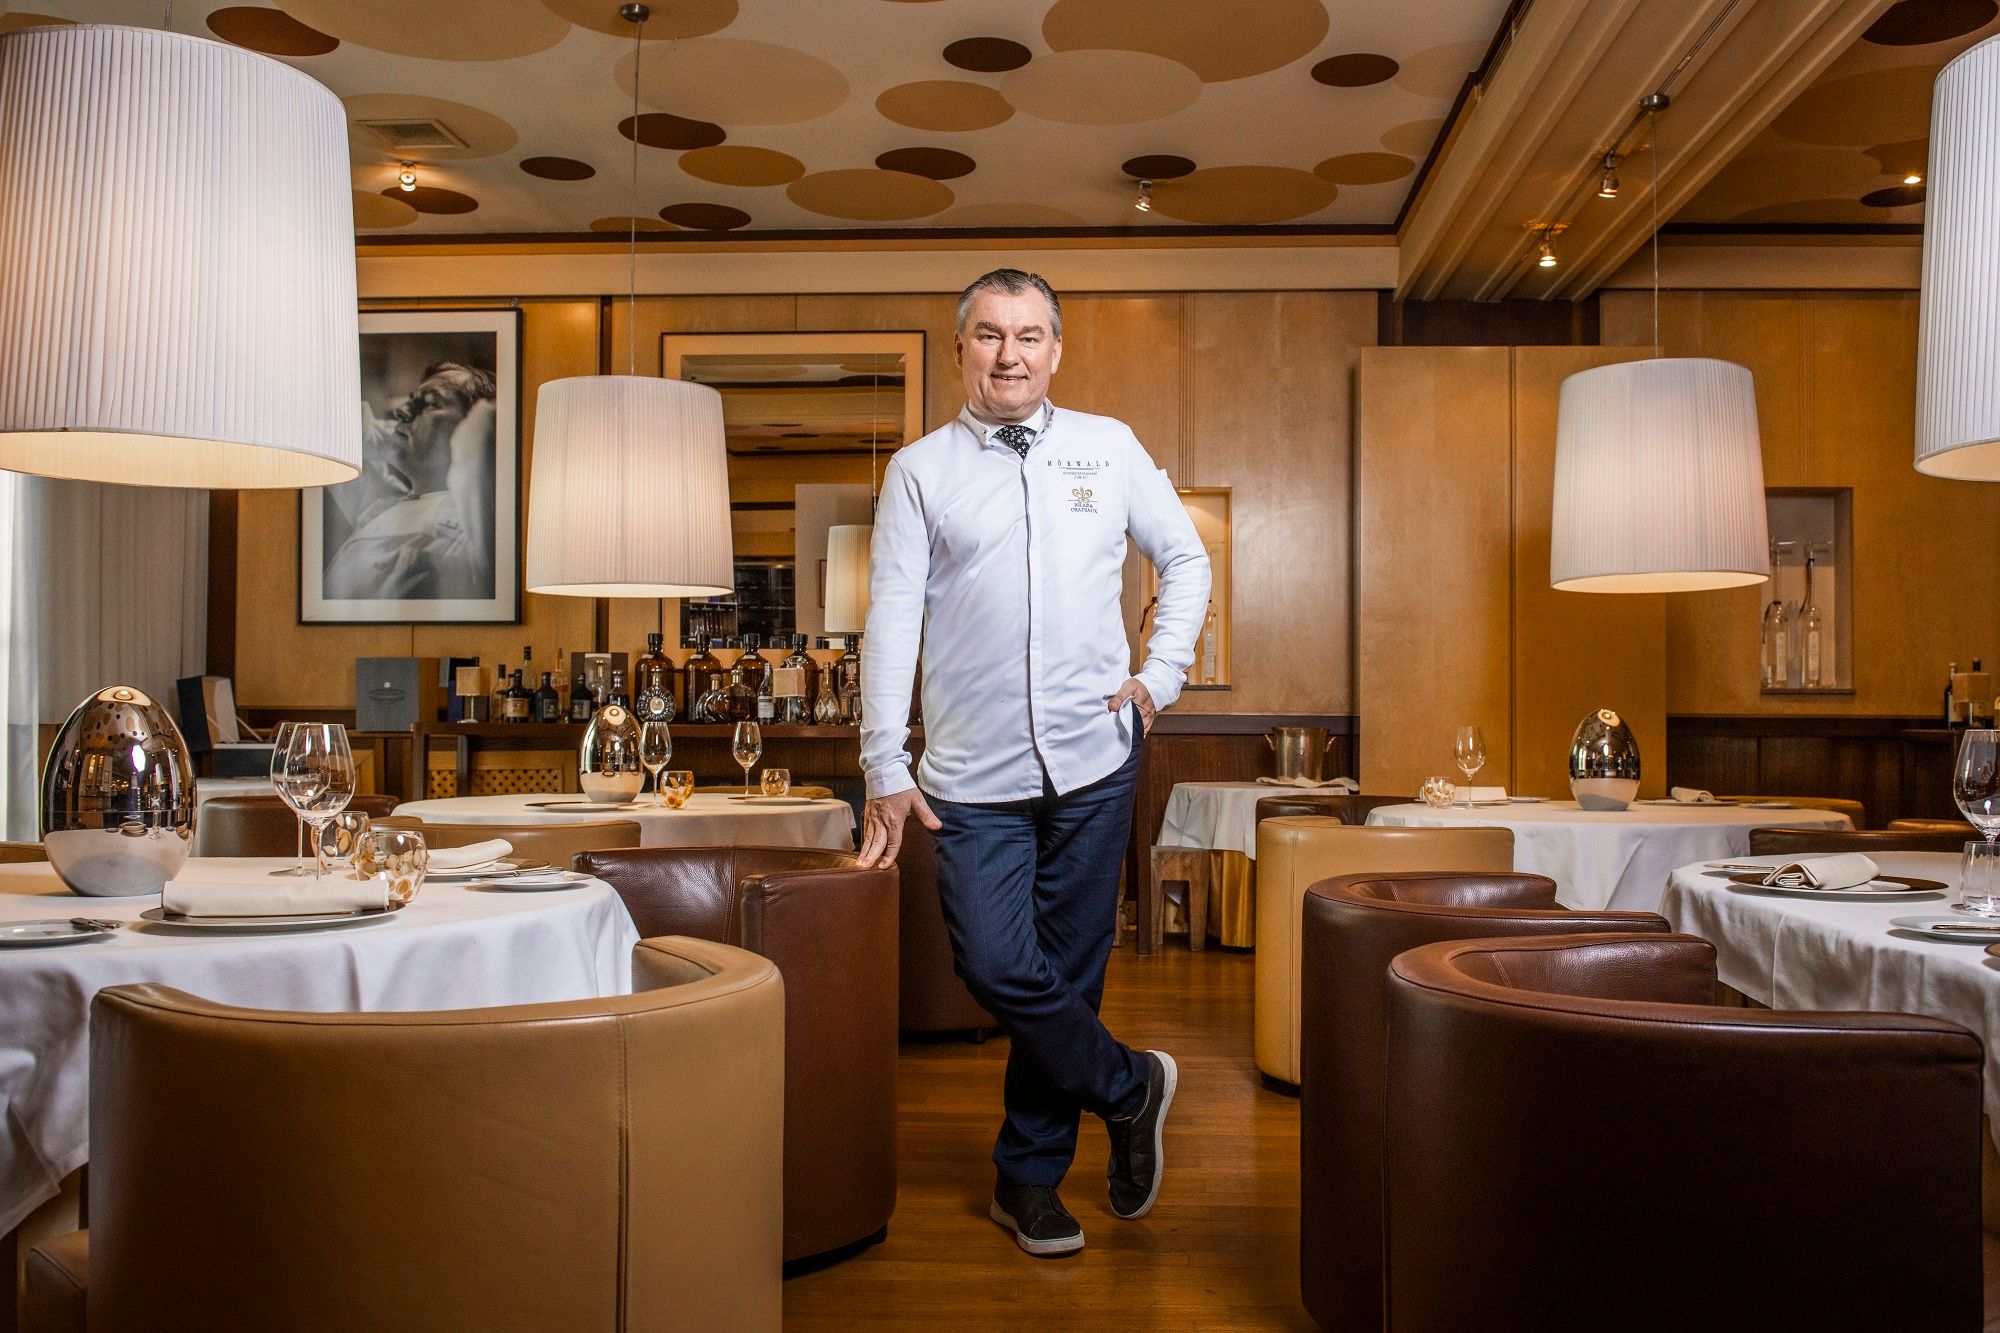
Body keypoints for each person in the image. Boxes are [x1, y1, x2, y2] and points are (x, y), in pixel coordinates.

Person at [857, 268, 1211, 1257]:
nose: (1006, 354)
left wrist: (1161, 675)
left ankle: (1027, 1179)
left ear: (1055, 350)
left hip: (1095, 760)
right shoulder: (919, 471)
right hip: (970, 773)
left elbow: (1184, 558)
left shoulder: (1109, 447)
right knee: (997, 964)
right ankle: (1129, 1086)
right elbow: (890, 616)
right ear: (957, 347)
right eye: (986, 335)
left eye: (1026, 335)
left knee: (1070, 975)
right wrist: (883, 759)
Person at [323, 360, 496, 601]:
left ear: (465, 427)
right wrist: (395, 439)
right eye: (410, 399)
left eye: (430, 403)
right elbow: (332, 432)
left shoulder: (476, 530)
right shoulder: (385, 504)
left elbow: (484, 427)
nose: (400, 412)